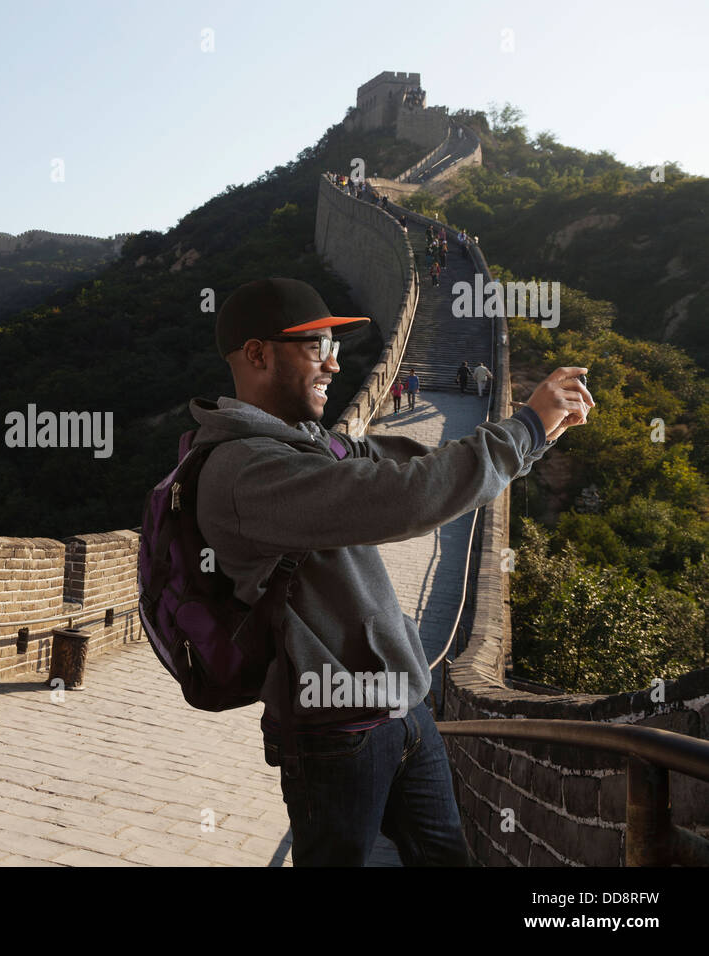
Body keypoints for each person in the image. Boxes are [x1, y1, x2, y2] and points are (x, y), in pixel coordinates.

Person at [189, 276, 594, 866]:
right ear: (257, 354)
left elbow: (419, 465)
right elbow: (401, 498)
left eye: (335, 346)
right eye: (315, 348)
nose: (334, 364)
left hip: (403, 708)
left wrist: (538, 434)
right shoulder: (242, 470)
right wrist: (524, 428)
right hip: (332, 733)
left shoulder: (307, 442)